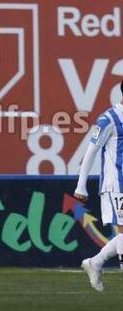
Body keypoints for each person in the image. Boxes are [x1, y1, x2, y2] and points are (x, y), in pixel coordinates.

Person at [75, 80, 123, 291]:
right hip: (117, 186)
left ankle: (95, 262)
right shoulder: (108, 119)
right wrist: (81, 186)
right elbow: (90, 152)